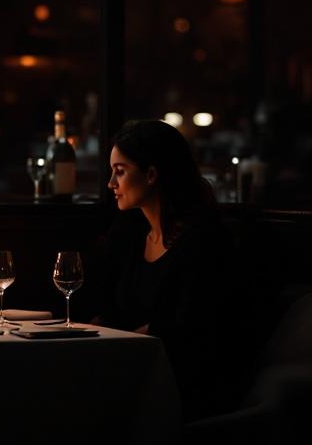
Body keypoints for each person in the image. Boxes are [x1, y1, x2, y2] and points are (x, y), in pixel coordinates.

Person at [91, 119, 242, 421]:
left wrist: (121, 346)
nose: (111, 184)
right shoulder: (130, 236)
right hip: (131, 368)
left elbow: (191, 330)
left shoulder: (202, 241)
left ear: (151, 175)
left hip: (182, 383)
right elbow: (109, 311)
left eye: (120, 171)